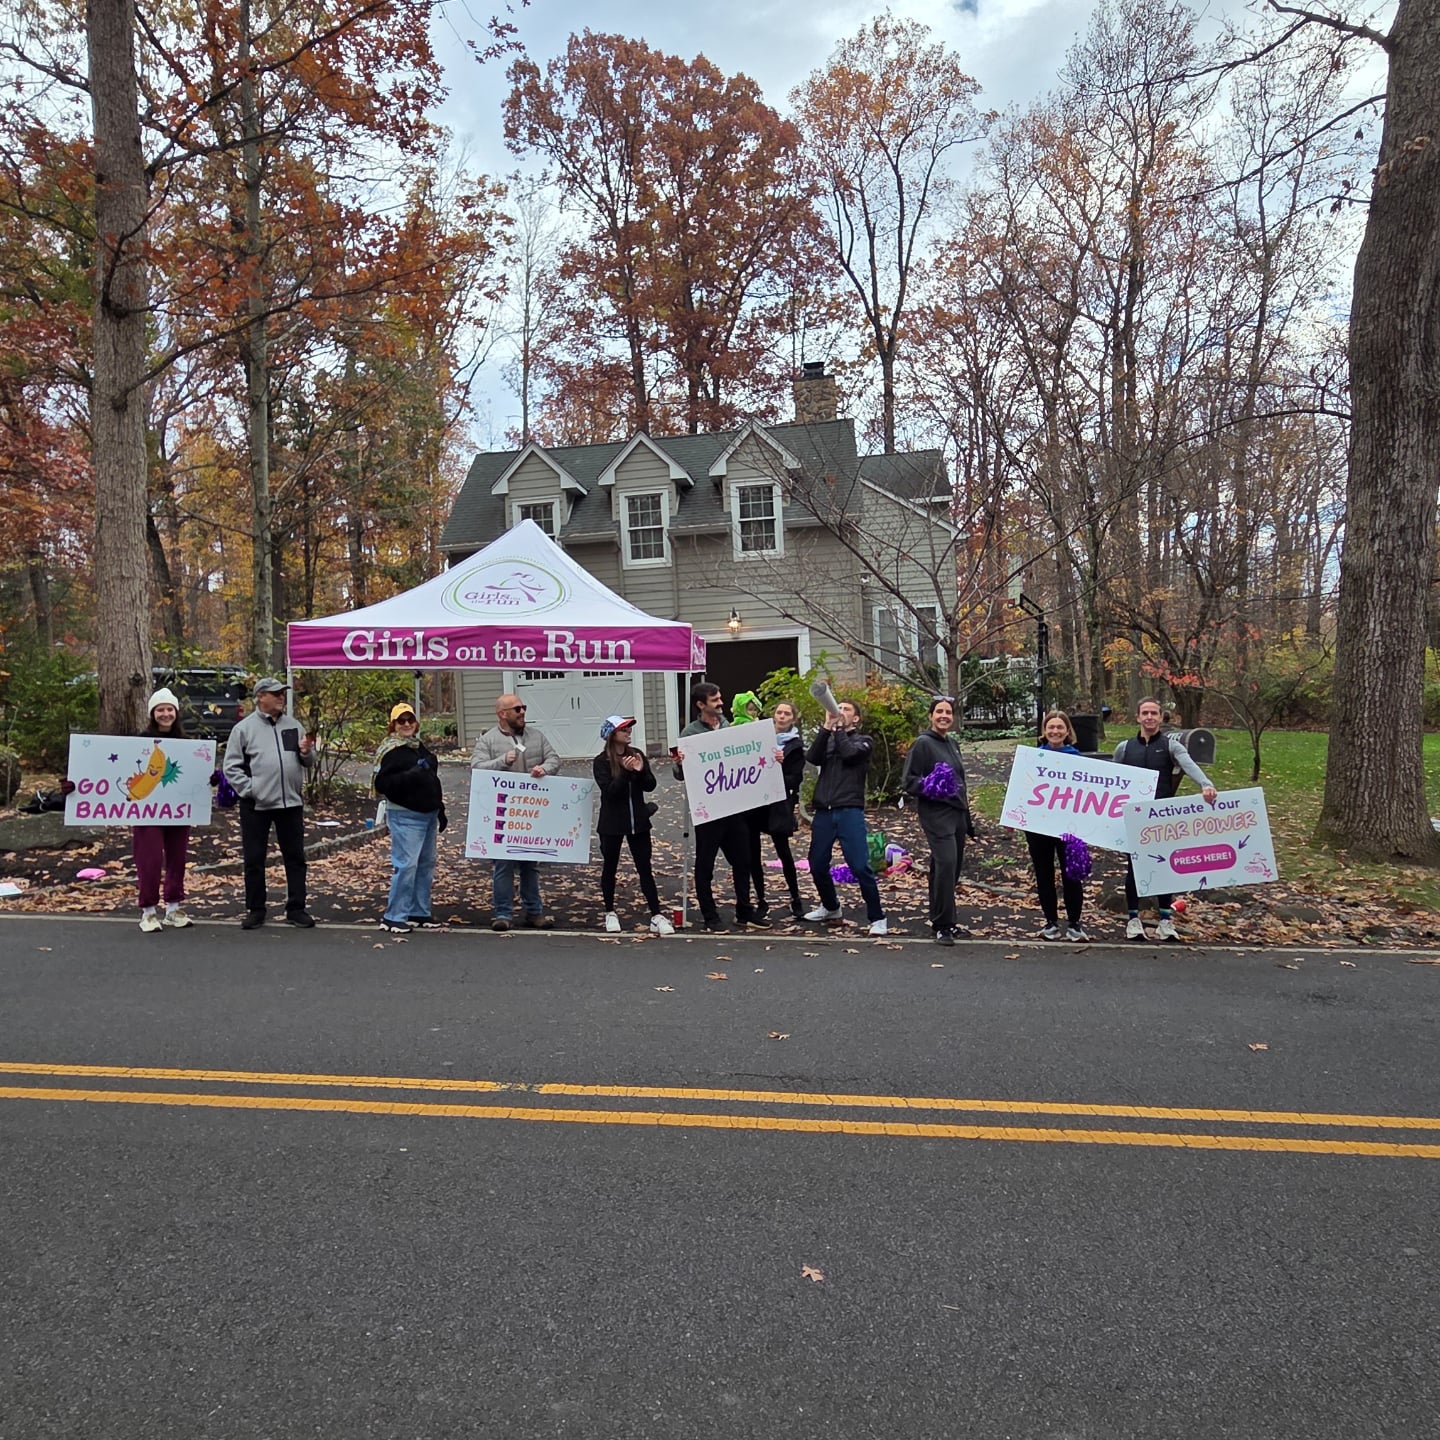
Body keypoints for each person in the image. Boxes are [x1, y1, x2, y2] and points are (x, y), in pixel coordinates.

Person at [1115, 696, 1218, 942]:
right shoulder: (1125, 747)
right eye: (1145, 713)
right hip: (1135, 817)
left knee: (1163, 868)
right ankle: (1133, 920)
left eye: (1154, 713)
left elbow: (1189, 764)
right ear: (1138, 717)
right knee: (1134, 869)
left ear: (1161, 717)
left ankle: (1164, 921)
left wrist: (1206, 784)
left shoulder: (1171, 746)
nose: (1149, 717)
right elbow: (1112, 778)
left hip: (1161, 818)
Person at [222, 677, 315, 929]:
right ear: (260, 696)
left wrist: (306, 752)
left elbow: (306, 761)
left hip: (290, 803)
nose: (281, 697)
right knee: (254, 858)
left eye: (282, 693)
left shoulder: (293, 726)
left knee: (295, 858)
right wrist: (251, 789)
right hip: (256, 805)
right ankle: (256, 909)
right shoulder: (244, 729)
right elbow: (231, 767)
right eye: (276, 693)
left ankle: (296, 908)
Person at [676, 682, 765, 933]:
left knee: (743, 861)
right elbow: (680, 774)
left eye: (720, 698)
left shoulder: (729, 726)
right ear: (700, 704)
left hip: (734, 807)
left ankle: (744, 911)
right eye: (714, 700)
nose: (720, 703)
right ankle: (710, 915)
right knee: (705, 865)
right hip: (708, 810)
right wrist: (680, 763)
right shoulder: (690, 734)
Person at [472, 692, 561, 931]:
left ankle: (534, 912)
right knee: (504, 864)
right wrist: (501, 760)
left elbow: (554, 758)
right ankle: (502, 913)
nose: (522, 712)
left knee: (530, 865)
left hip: (531, 812)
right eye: (517, 709)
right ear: (502, 714)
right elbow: (477, 767)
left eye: (523, 708)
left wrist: (545, 768)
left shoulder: (536, 736)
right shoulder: (488, 740)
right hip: (503, 813)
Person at [803, 699, 888, 936]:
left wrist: (839, 729)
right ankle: (831, 907)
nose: (840, 712)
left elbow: (850, 754)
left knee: (860, 865)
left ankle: (877, 917)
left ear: (856, 718)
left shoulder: (864, 741)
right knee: (817, 863)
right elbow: (812, 757)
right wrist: (825, 728)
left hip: (849, 810)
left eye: (846, 709)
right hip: (824, 811)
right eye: (837, 708)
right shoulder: (830, 739)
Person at [900, 695, 971, 945]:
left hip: (957, 814)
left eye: (948, 712)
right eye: (939, 711)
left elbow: (961, 782)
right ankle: (942, 925)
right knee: (947, 863)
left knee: (948, 868)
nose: (944, 716)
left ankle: (945, 919)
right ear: (931, 715)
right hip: (936, 814)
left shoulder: (951, 743)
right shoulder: (923, 743)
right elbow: (908, 781)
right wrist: (933, 786)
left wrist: (968, 818)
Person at [593, 715, 673, 935]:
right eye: (624, 729)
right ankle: (610, 911)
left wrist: (640, 771)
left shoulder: (637, 755)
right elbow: (610, 793)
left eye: (629, 729)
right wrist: (626, 773)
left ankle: (656, 915)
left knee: (644, 867)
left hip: (638, 821)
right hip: (611, 823)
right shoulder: (601, 761)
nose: (628, 732)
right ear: (612, 735)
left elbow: (650, 785)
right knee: (610, 866)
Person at [372, 703, 447, 935]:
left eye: (410, 720)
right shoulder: (392, 751)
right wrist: (410, 775)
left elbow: (431, 780)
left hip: (427, 814)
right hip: (405, 815)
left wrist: (440, 809)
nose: (406, 724)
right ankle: (394, 916)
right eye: (401, 721)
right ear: (393, 724)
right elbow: (382, 784)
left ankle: (418, 911)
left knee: (425, 865)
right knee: (406, 866)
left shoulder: (418, 747)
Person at [131, 686, 194, 932]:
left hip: (178, 810)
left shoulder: (187, 744)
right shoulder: (141, 742)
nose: (165, 714)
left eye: (169, 709)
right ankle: (148, 912)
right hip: (147, 811)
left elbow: (193, 774)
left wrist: (208, 779)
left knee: (177, 858)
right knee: (150, 859)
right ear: (153, 713)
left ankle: (173, 908)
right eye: (160, 709)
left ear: (176, 712)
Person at [1026, 710, 1089, 942]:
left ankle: (1074, 924)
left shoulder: (1077, 758)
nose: (1055, 731)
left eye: (1059, 727)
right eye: (1050, 727)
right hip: (1038, 828)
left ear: (1067, 731)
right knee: (1044, 875)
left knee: (1072, 875)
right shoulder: (1032, 759)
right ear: (1044, 731)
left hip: (1069, 829)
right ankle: (1050, 923)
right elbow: (1022, 791)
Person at [751, 700, 807, 920]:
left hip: (779, 804)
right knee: (753, 854)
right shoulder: (759, 737)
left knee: (784, 853)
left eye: (787, 713)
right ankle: (761, 899)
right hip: (756, 803)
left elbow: (795, 779)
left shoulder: (794, 745)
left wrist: (779, 767)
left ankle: (795, 897)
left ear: (793, 718)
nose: (782, 716)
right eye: (779, 712)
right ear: (773, 715)